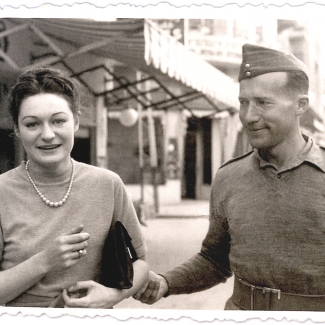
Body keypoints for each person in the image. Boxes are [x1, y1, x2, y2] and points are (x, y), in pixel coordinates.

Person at [133, 43, 325, 311]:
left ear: (300, 105)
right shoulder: (229, 177)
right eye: (243, 102)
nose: (248, 116)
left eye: (263, 103)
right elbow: (215, 259)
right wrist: (166, 282)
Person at [0, 67, 149, 308]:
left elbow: (141, 263)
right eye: (32, 124)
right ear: (17, 129)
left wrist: (111, 295)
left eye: (58, 120)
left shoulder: (108, 185)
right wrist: (45, 261)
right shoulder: (3, 192)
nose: (47, 134)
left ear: (76, 121)